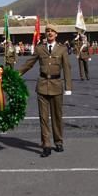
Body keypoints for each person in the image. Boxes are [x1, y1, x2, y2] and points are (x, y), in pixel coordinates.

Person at [18, 25, 72, 157]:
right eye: (47, 31)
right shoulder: (39, 48)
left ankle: (58, 142)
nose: (50, 33)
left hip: (57, 85)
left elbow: (67, 68)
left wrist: (68, 87)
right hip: (42, 86)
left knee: (57, 116)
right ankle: (46, 144)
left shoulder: (62, 49)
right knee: (43, 117)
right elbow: (29, 63)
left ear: (56, 34)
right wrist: (15, 74)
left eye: (52, 31)